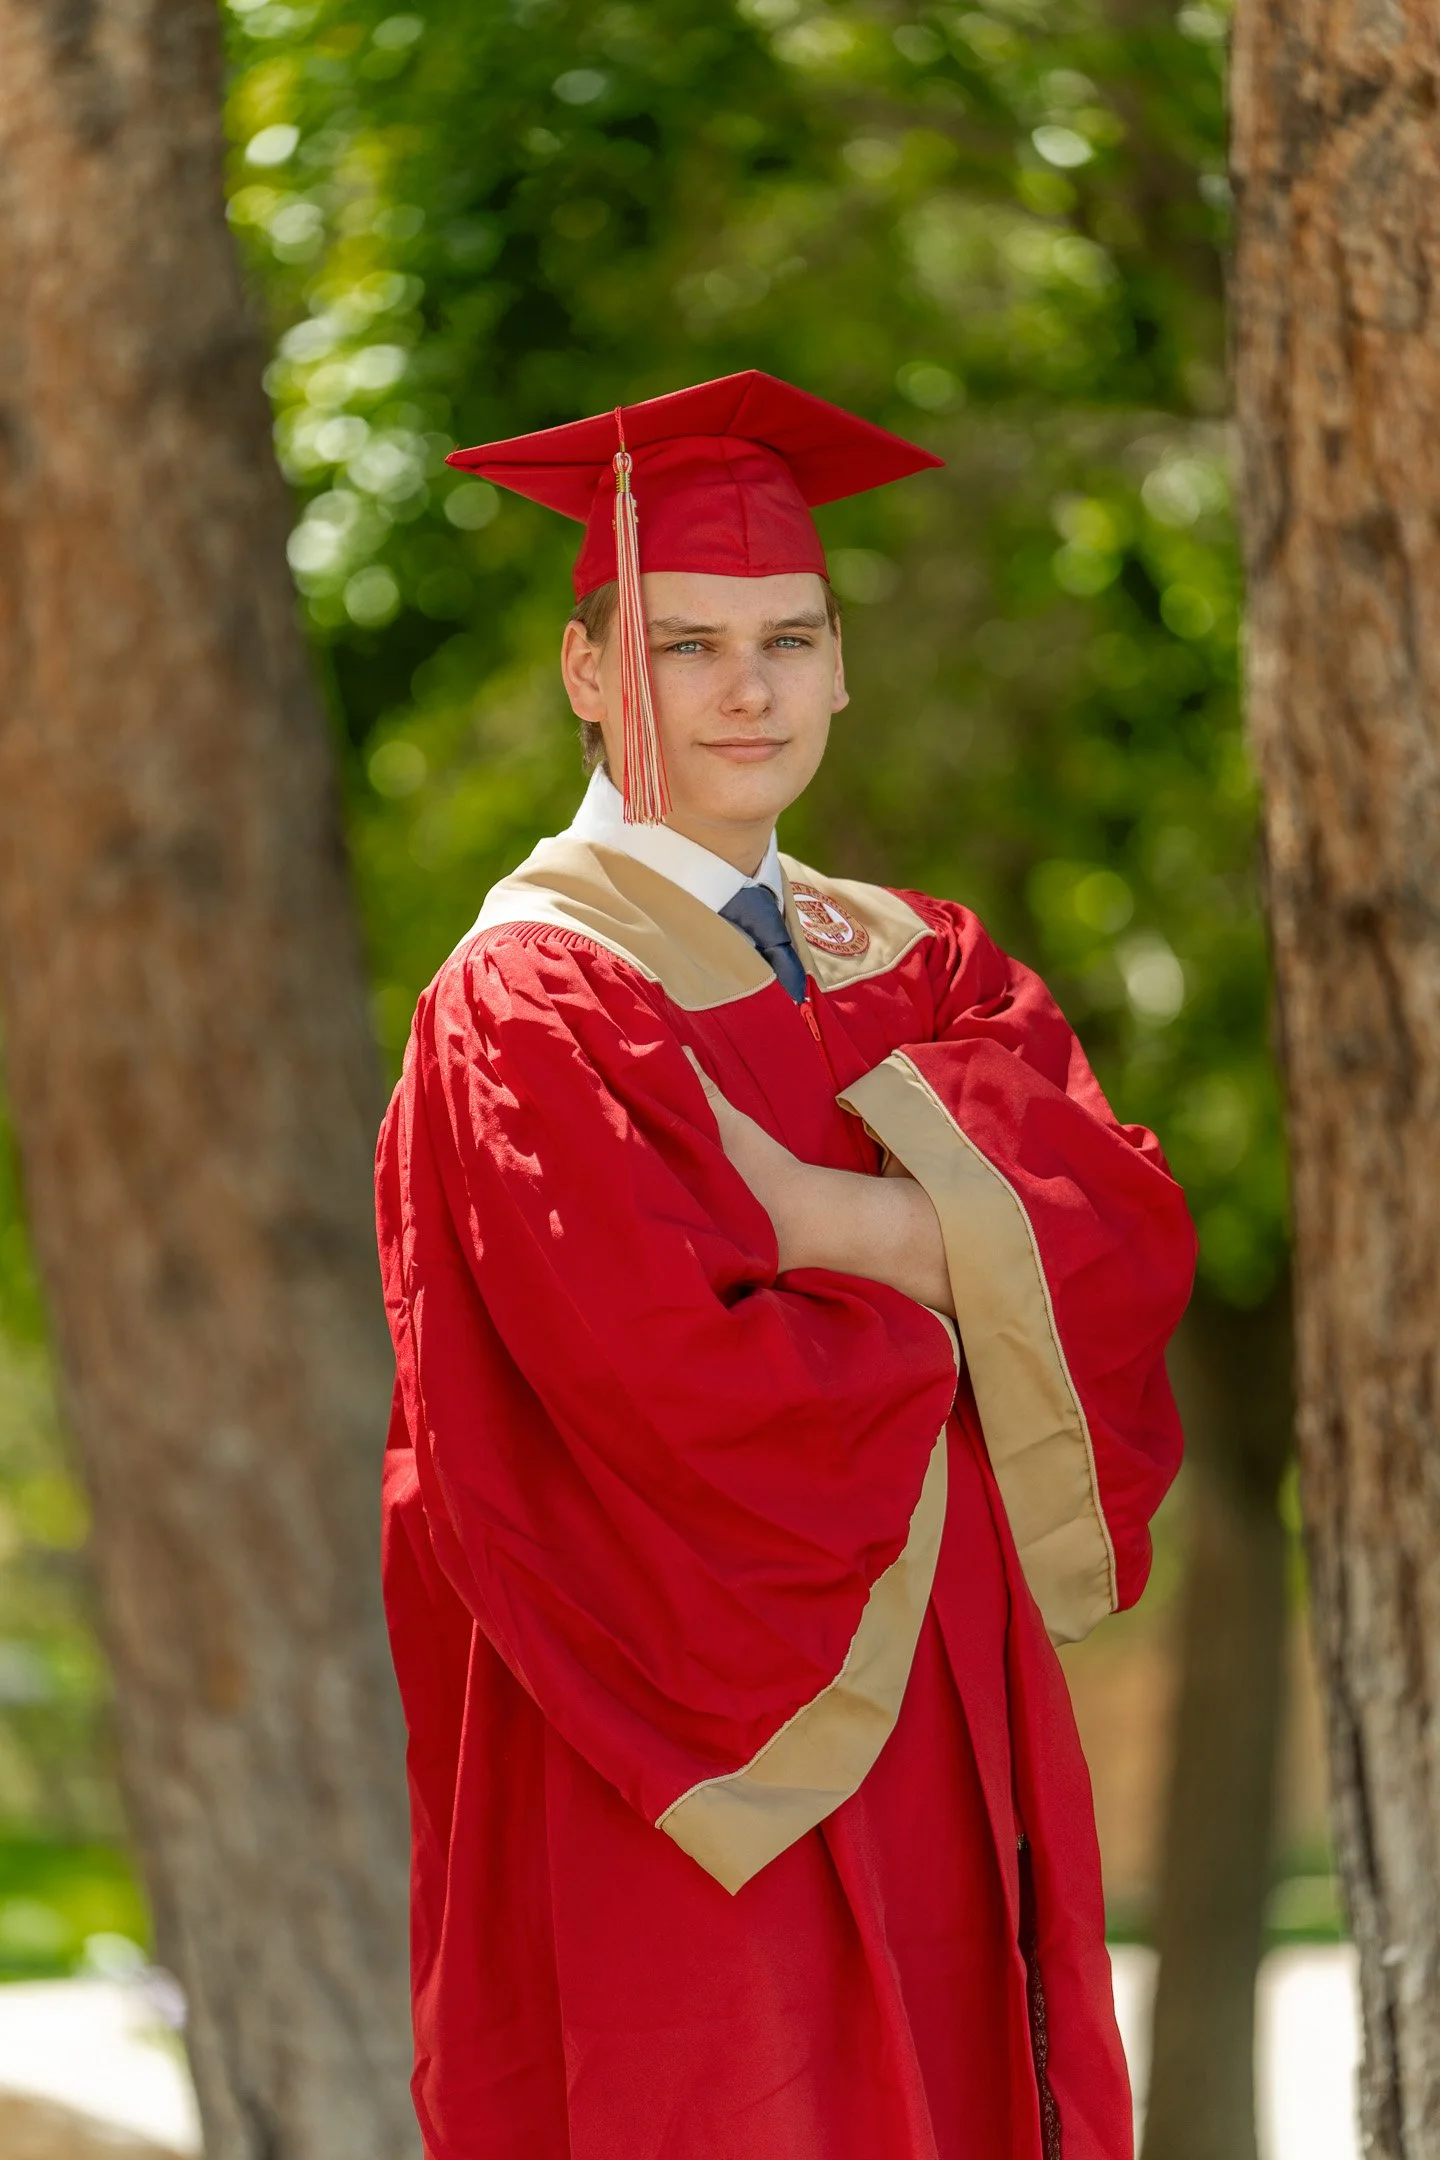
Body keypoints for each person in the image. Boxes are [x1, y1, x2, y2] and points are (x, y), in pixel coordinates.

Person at [375, 370, 1196, 2160]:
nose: (746, 689)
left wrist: (847, 1230)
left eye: (786, 639)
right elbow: (657, 1381)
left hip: (955, 1701)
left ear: (839, 664)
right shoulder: (534, 998)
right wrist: (985, 1284)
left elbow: (1130, 1247)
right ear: (592, 673)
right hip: (704, 1736)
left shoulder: (917, 957)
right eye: (686, 645)